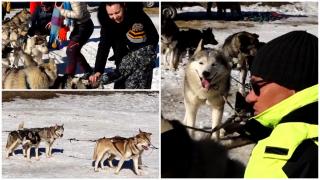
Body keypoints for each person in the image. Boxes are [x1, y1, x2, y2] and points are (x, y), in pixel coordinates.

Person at [240, 31, 318, 178]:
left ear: (294, 85)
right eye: (249, 88)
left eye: (256, 86)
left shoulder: (280, 154)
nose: (249, 98)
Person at [89, 2, 159, 89]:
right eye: (110, 14)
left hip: (142, 63)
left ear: (124, 6)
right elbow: (103, 46)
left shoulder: (137, 15)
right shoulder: (107, 22)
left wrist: (143, 56)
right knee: (120, 92)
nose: (114, 17)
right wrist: (98, 70)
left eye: (117, 12)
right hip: (121, 61)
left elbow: (154, 37)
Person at [55, 2, 94, 79]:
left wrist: (62, 11)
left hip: (84, 26)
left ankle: (68, 78)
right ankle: (88, 71)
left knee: (71, 50)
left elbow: (78, 14)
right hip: (81, 25)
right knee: (74, 51)